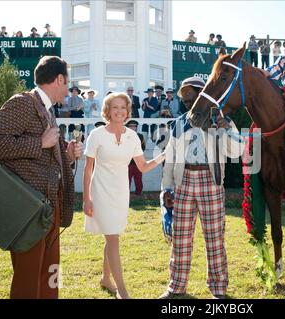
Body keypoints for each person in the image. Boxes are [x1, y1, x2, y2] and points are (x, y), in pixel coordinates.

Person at [0, 56, 82, 299]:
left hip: (49, 207)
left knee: (50, 273)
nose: (68, 89)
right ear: (59, 79)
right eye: (67, 82)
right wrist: (39, 143)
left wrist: (66, 155)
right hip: (28, 210)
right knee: (28, 279)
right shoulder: (23, 103)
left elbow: (47, 155)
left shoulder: (47, 109)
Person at [158, 77, 243, 299]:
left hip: (210, 181)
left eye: (190, 94)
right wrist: (166, 188)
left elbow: (236, 152)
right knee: (181, 237)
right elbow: (170, 158)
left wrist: (227, 130)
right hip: (183, 181)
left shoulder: (220, 120)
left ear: (201, 93)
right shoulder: (178, 123)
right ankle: (176, 286)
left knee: (215, 238)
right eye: (184, 97)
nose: (187, 100)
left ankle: (218, 289)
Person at [83, 92, 165, 299]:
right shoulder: (97, 135)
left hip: (120, 193)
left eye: (123, 107)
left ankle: (105, 278)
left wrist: (164, 155)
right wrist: (86, 198)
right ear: (107, 111)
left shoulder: (132, 136)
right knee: (112, 239)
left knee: (112, 235)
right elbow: (87, 169)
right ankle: (122, 290)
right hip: (100, 191)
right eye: (114, 107)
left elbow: (143, 167)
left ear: (128, 111)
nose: (119, 111)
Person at [126, 120, 146, 195]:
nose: (132, 128)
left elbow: (143, 148)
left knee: (138, 178)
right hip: (127, 161)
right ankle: (126, 193)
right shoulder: (124, 136)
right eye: (131, 126)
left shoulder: (140, 136)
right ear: (128, 127)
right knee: (127, 178)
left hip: (138, 161)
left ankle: (139, 192)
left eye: (134, 126)